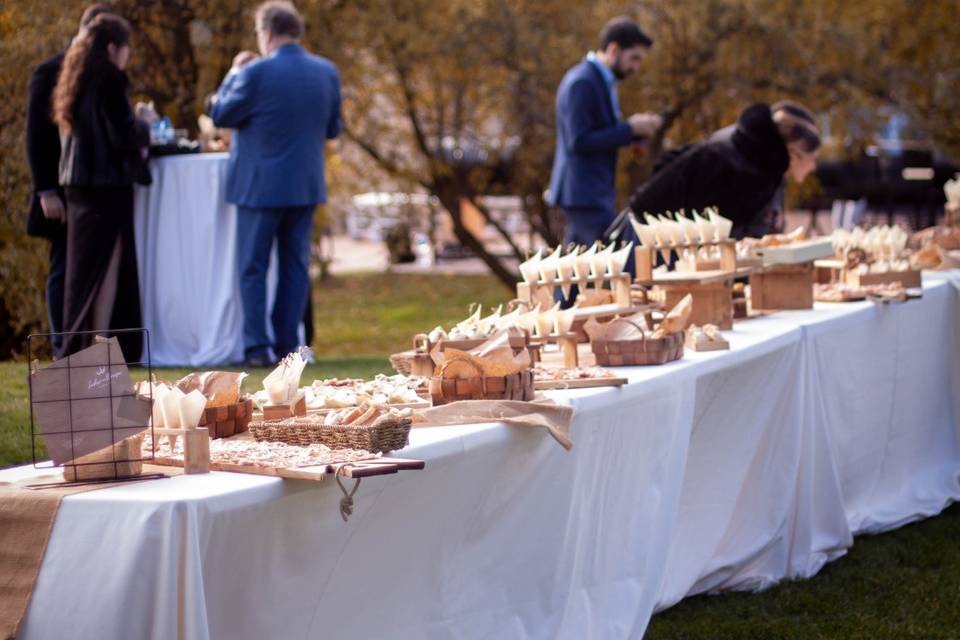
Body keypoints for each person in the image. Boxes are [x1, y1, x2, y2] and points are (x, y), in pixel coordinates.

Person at [208, 0, 341, 367]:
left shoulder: (255, 74)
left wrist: (234, 72)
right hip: (305, 186)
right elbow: (333, 128)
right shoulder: (327, 72)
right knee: (295, 267)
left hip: (258, 187)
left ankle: (256, 348)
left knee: (253, 268)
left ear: (266, 32)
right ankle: (288, 347)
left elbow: (220, 113)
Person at [53, 13, 154, 361]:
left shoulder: (77, 75)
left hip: (78, 184)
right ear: (113, 47)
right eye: (126, 49)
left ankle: (85, 347)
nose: (128, 56)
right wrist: (143, 122)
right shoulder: (109, 77)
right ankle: (100, 345)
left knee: (83, 274)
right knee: (107, 267)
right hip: (105, 184)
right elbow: (122, 135)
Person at [25, 4, 114, 354]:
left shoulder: (98, 73)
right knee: (63, 266)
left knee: (81, 269)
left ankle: (80, 340)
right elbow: (35, 135)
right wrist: (45, 190)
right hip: (59, 190)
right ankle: (64, 341)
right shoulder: (48, 71)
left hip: (87, 190)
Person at [621, 101, 821, 241]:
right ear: (794, 153)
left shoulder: (764, 161)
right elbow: (731, 243)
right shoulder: (741, 166)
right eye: (813, 159)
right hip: (650, 239)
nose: (814, 167)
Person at [547, 16, 663, 248]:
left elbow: (597, 134)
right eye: (634, 58)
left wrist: (633, 133)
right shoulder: (583, 82)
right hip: (583, 194)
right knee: (593, 267)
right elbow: (578, 141)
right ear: (613, 49)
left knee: (583, 270)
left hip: (591, 194)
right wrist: (629, 129)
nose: (635, 68)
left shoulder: (599, 81)